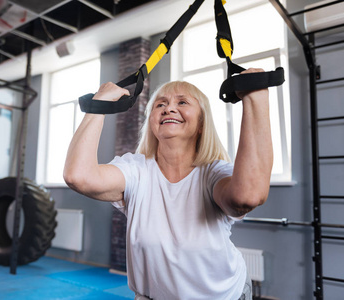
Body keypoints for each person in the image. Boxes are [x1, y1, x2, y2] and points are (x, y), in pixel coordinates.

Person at [64, 68, 272, 300]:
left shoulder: (213, 172)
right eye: (160, 105)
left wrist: (256, 95)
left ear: (202, 123)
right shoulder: (136, 171)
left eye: (182, 102)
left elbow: (248, 196)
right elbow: (78, 176)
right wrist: (98, 104)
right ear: (152, 122)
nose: (169, 108)